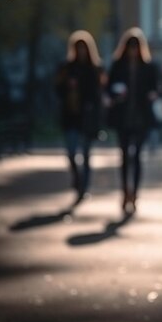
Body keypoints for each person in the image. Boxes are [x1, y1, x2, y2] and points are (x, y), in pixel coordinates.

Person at [107, 27, 161, 215]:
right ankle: (125, 191)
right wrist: (115, 94)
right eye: (130, 46)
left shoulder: (148, 67)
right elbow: (109, 88)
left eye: (135, 47)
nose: (133, 50)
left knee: (136, 155)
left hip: (141, 117)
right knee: (124, 156)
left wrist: (152, 95)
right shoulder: (118, 66)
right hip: (122, 117)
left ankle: (135, 193)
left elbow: (156, 88)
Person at [54, 30, 106, 202]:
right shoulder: (66, 68)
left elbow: (99, 94)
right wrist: (67, 85)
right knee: (71, 151)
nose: (82, 51)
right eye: (78, 48)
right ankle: (77, 179)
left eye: (84, 48)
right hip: (71, 116)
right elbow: (58, 91)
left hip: (88, 117)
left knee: (86, 154)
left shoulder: (95, 69)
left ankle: (84, 187)